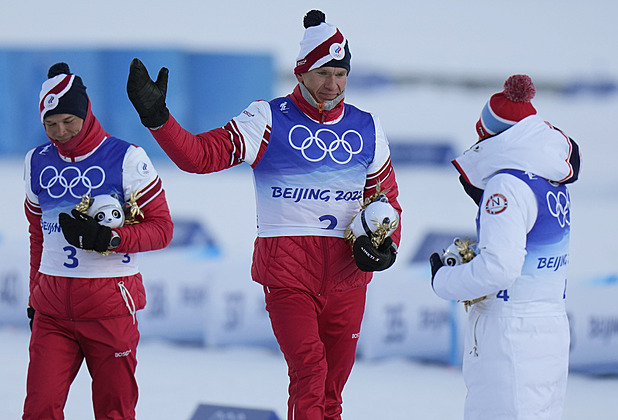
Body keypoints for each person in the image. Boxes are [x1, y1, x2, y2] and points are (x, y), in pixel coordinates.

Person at [126, 9, 401, 420]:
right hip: (288, 276)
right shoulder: (267, 119)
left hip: (348, 278)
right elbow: (200, 157)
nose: (333, 84)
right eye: (323, 72)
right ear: (301, 71)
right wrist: (158, 119)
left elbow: (387, 201)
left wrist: (387, 247)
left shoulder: (367, 127)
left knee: (332, 392)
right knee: (310, 371)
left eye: (341, 73)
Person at [23, 62, 174, 420]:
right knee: (39, 409)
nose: (61, 132)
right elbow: (36, 235)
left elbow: (163, 229)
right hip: (53, 311)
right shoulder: (36, 162)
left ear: (86, 113)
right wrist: (34, 297)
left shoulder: (126, 157)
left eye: (69, 121)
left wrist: (112, 237)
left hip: (110, 308)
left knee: (114, 412)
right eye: (51, 124)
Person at [429, 74, 582, 419]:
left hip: (510, 331)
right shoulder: (550, 175)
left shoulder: (505, 186)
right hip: (550, 325)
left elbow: (500, 268)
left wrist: (444, 281)